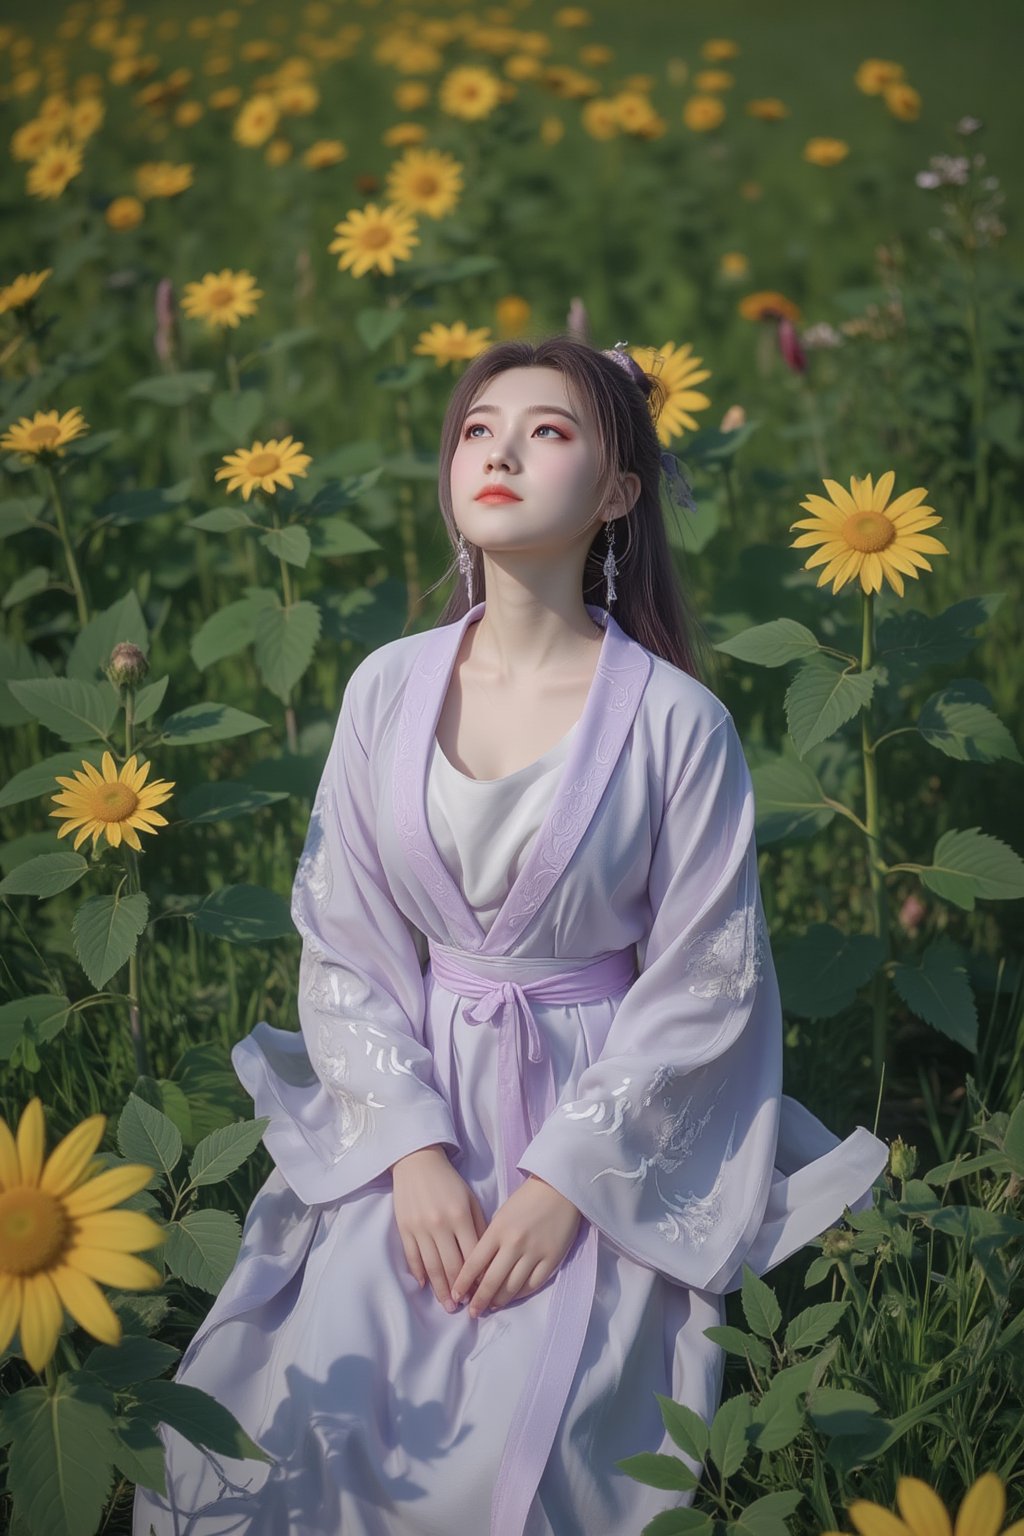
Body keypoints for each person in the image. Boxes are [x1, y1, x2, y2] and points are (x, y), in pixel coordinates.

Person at [134, 335, 889, 1536]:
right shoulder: (386, 684)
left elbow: (706, 981)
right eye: (479, 429)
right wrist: (412, 1154)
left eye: (548, 432)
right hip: (419, 1090)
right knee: (286, 1431)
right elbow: (345, 940)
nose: (500, 452)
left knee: (506, 1467)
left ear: (616, 495)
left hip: (596, 1112)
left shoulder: (679, 724)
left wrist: (563, 1189)